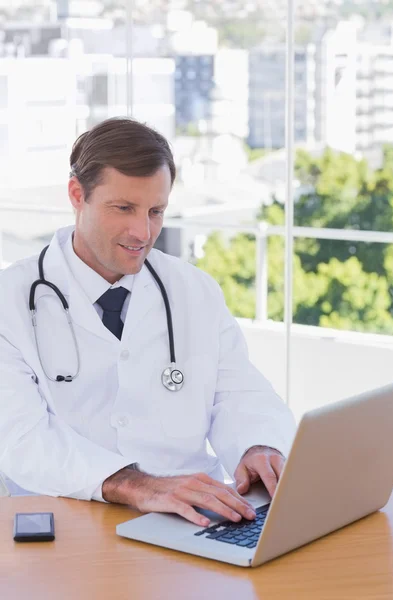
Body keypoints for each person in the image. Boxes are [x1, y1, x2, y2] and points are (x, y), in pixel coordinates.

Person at [0, 118, 296, 528]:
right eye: (123, 208)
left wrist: (258, 447)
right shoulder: (10, 301)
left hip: (196, 520)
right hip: (67, 524)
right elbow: (22, 441)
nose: (142, 232)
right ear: (76, 195)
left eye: (156, 211)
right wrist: (139, 485)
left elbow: (241, 393)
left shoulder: (193, 290)